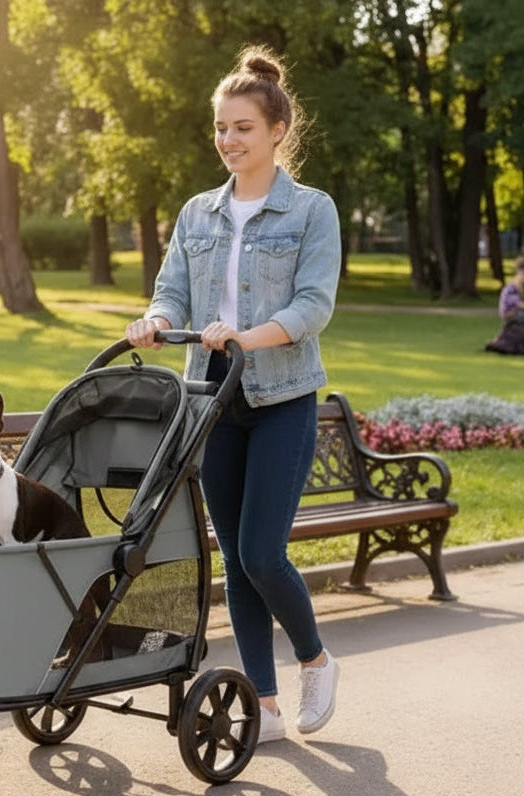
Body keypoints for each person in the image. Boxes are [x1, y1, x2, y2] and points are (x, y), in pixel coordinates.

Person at [125, 45, 341, 744]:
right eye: (220, 127)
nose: (228, 140)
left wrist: (250, 337)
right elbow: (172, 290)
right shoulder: (197, 213)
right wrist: (158, 320)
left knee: (261, 553)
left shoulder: (311, 211)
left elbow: (314, 306)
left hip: (280, 396)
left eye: (242, 127)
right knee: (236, 563)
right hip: (211, 397)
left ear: (277, 128)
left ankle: (314, 657)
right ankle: (267, 707)